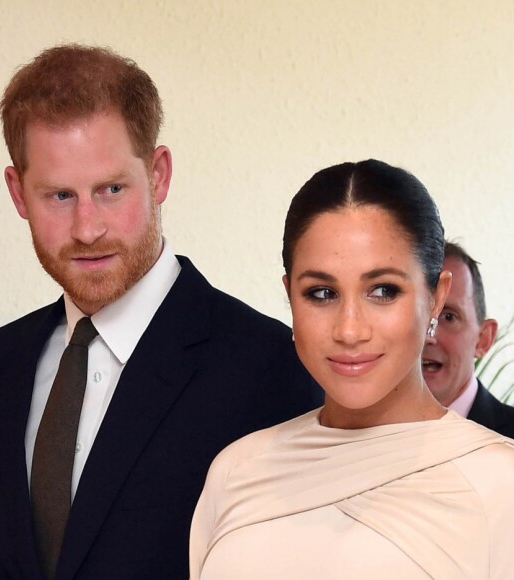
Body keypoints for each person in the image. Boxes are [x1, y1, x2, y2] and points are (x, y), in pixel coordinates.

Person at [0, 44, 322, 580]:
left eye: (111, 189)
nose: (87, 227)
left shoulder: (268, 367)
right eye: (58, 196)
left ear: (159, 174)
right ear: (17, 193)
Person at [190, 160, 514, 579]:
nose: (349, 329)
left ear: (436, 298)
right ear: (290, 296)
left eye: (383, 291)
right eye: (321, 293)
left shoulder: (500, 485)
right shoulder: (235, 471)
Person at [423, 241, 514, 436]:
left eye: (448, 317)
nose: (428, 335)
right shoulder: (353, 435)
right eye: (417, 314)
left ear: (483, 339)